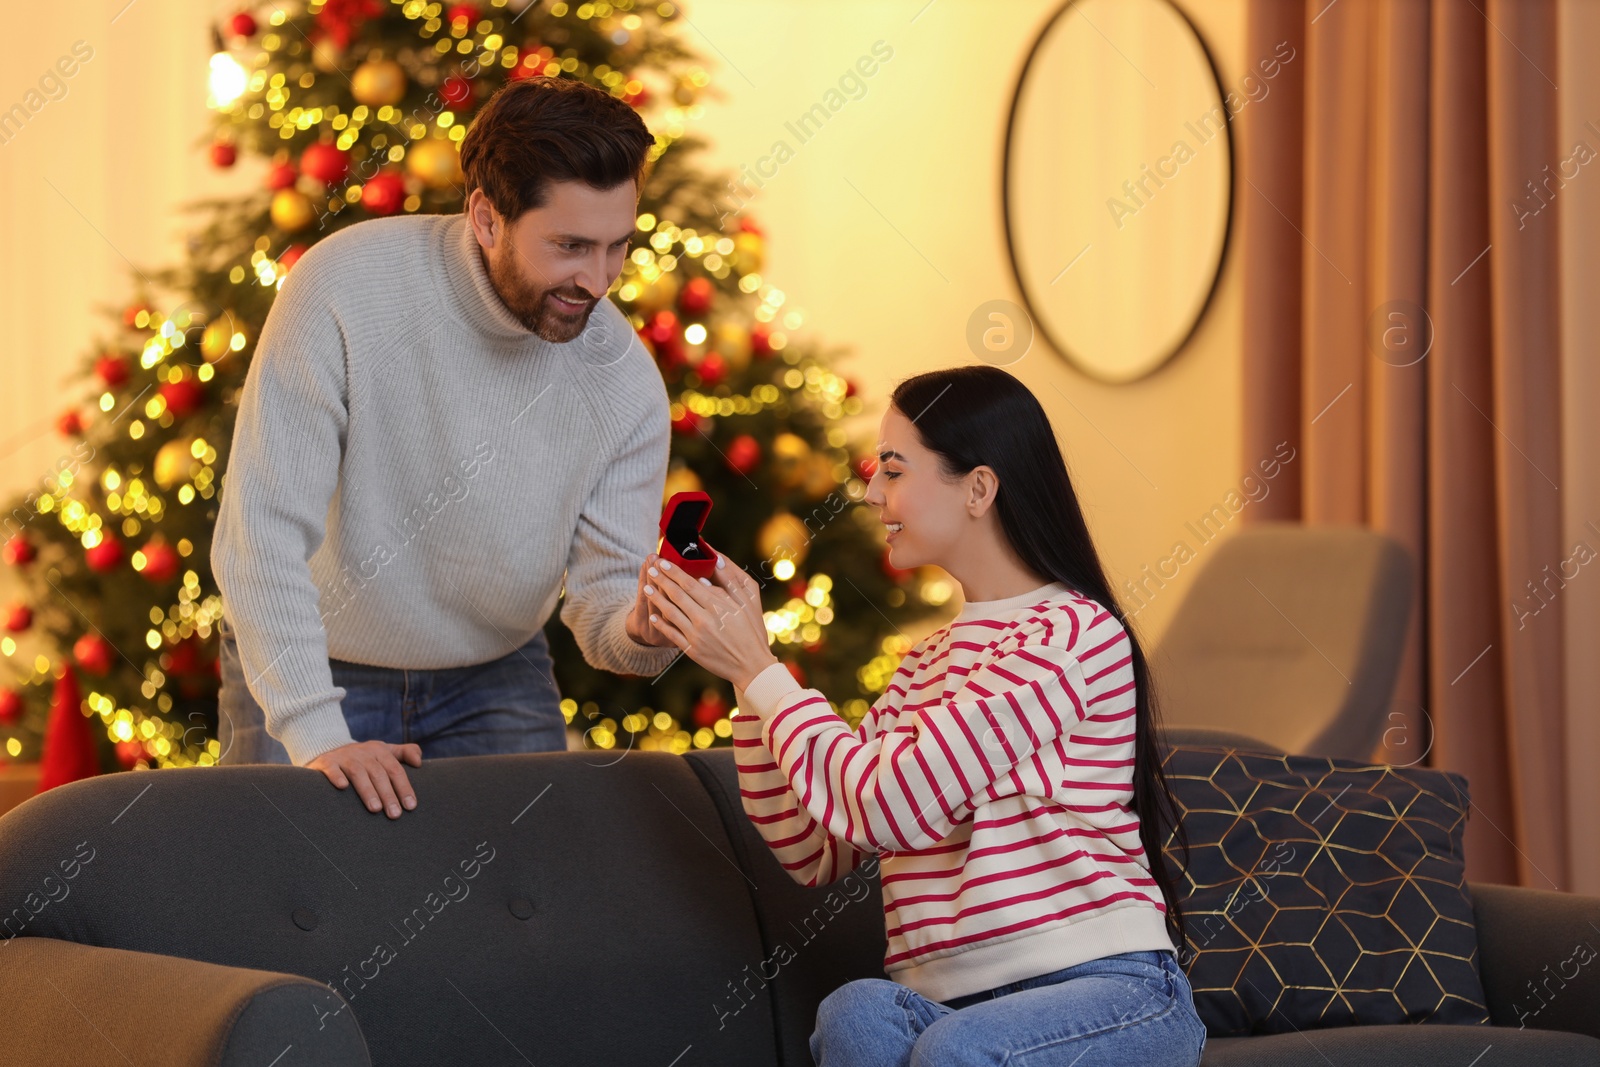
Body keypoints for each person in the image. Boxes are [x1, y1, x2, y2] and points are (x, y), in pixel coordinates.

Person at [644, 365, 1206, 1065]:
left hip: (1109, 996)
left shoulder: (1069, 637)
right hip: (955, 1007)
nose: (873, 493)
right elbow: (814, 840)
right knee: (857, 1012)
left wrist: (763, 671)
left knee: (953, 1050)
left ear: (978, 487)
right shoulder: (924, 664)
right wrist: (743, 672)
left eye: (893, 469)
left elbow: (885, 803)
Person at [212, 77, 680, 818]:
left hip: (496, 670)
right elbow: (258, 537)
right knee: (284, 911)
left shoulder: (623, 383)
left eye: (617, 246)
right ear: (487, 219)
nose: (598, 281)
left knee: (529, 907)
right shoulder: (343, 288)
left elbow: (603, 612)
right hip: (311, 656)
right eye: (570, 246)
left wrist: (642, 627)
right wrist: (315, 733)